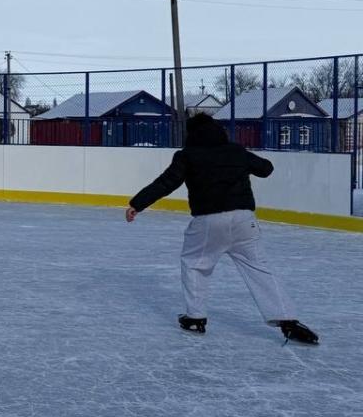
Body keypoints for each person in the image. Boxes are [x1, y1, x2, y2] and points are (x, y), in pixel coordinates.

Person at [125, 112, 319, 345]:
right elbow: (266, 168)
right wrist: (241, 159)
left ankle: (196, 318)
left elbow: (165, 183)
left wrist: (137, 204)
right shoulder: (236, 151)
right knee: (259, 268)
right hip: (243, 219)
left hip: (208, 222)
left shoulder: (187, 156)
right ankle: (287, 320)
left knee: (195, 264)